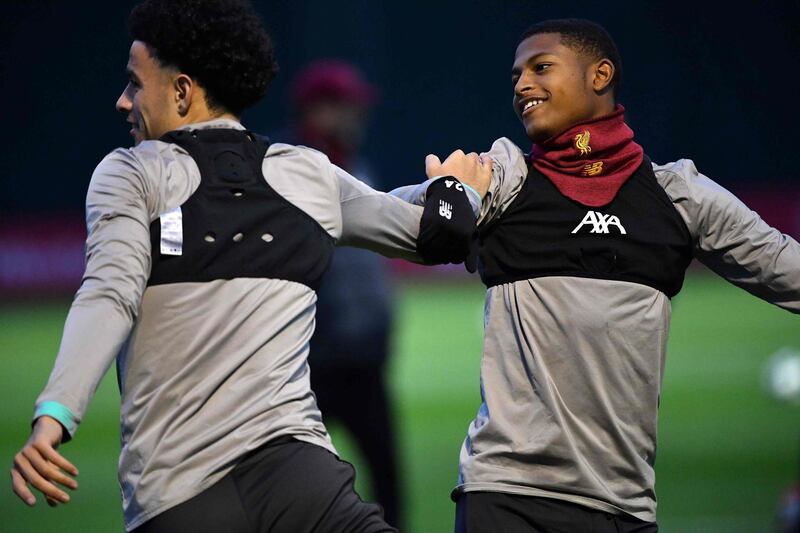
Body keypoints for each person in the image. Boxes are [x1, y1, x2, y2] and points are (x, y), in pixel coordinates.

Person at [8, 1, 489, 532]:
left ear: (183, 91)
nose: (123, 101)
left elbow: (109, 293)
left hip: (181, 495)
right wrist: (454, 187)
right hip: (307, 487)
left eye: (134, 83)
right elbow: (436, 235)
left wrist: (56, 412)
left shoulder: (129, 173)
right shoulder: (308, 173)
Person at [399, 18, 800, 532]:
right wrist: (448, 195)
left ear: (600, 74)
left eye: (541, 67)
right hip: (503, 497)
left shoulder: (681, 196)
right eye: (516, 75)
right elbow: (384, 216)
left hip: (623, 506)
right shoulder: (504, 181)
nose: (522, 85)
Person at [287, 60, 403, 529]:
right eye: (349, 106)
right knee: (298, 487)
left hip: (363, 362)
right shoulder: (290, 168)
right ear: (320, 109)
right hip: (315, 365)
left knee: (388, 479)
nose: (360, 115)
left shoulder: (355, 164)